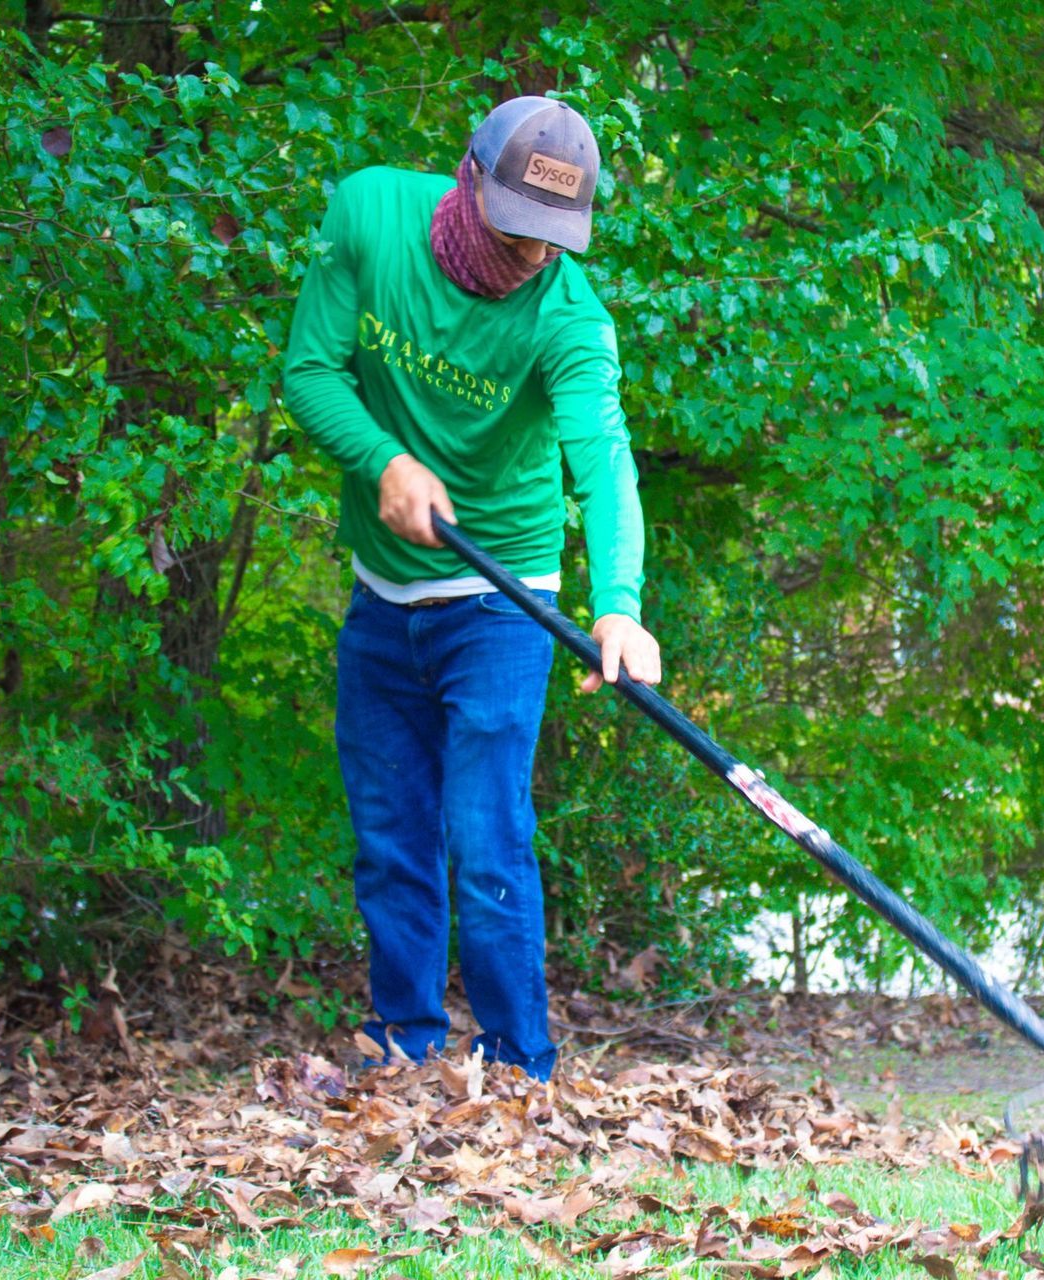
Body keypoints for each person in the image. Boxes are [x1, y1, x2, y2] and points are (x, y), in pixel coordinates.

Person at [281, 97, 661, 1081]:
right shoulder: (368, 215)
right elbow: (311, 371)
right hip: (382, 592)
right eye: (518, 229)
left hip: (504, 600)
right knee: (390, 836)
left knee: (487, 839)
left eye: (555, 238)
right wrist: (382, 461)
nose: (535, 253)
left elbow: (603, 464)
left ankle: (518, 1064)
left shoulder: (569, 317)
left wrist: (617, 602)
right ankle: (402, 1046)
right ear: (470, 179)